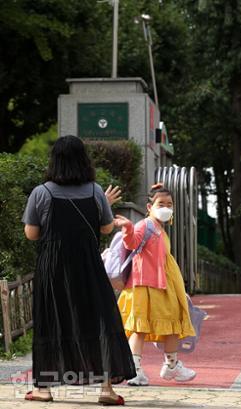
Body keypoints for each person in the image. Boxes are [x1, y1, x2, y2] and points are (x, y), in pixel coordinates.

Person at [22, 135, 135, 406]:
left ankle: (44, 389)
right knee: (100, 319)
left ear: (55, 160)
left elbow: (31, 234)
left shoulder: (42, 192)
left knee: (50, 320)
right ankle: (106, 389)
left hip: (53, 267)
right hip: (87, 265)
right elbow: (107, 228)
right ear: (84, 160)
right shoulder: (95, 191)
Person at [114, 185, 197, 386]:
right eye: (161, 204)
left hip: (162, 286)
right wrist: (128, 229)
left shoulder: (160, 229)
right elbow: (132, 242)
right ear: (150, 207)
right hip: (144, 285)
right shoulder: (145, 225)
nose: (166, 208)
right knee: (139, 328)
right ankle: (135, 370)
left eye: (170, 204)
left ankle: (171, 365)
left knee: (172, 326)